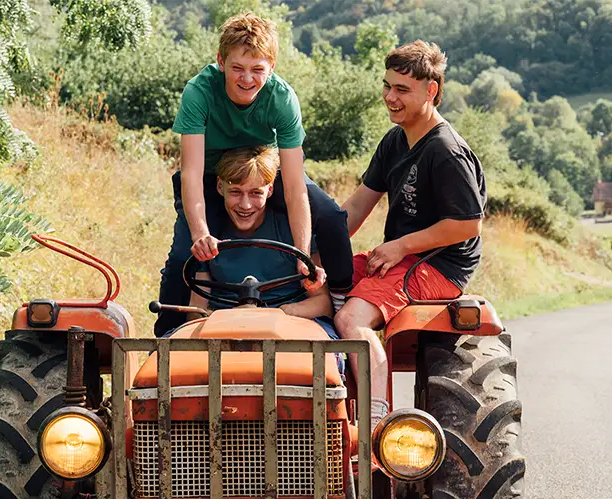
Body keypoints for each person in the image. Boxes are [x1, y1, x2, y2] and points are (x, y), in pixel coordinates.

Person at [155, 11, 353, 336]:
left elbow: (293, 184)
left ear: (271, 68)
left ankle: (340, 301)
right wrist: (199, 233)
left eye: (257, 70)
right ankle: (164, 336)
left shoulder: (283, 99)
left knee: (330, 216)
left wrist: (303, 255)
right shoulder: (199, 92)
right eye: (237, 68)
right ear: (221, 62)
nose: (247, 79)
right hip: (211, 175)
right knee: (181, 259)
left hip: (261, 171)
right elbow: (190, 172)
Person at [333, 40, 487, 430]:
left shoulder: (445, 151)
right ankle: (325, 404)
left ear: (430, 90)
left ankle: (376, 422)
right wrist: (313, 255)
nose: (390, 97)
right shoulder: (396, 140)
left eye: (402, 90)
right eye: (387, 86)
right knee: (314, 288)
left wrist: (400, 245)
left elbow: (468, 224)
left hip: (438, 266)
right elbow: (357, 207)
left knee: (352, 320)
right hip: (401, 257)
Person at [186, 146, 344, 375]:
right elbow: (196, 309)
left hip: (291, 324)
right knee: (169, 360)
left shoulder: (294, 231)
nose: (245, 205)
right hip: (225, 328)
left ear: (270, 190)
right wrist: (225, 321)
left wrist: (280, 314)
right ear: (220, 186)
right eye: (236, 192)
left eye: (256, 193)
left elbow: (322, 302)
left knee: (324, 363)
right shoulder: (208, 235)